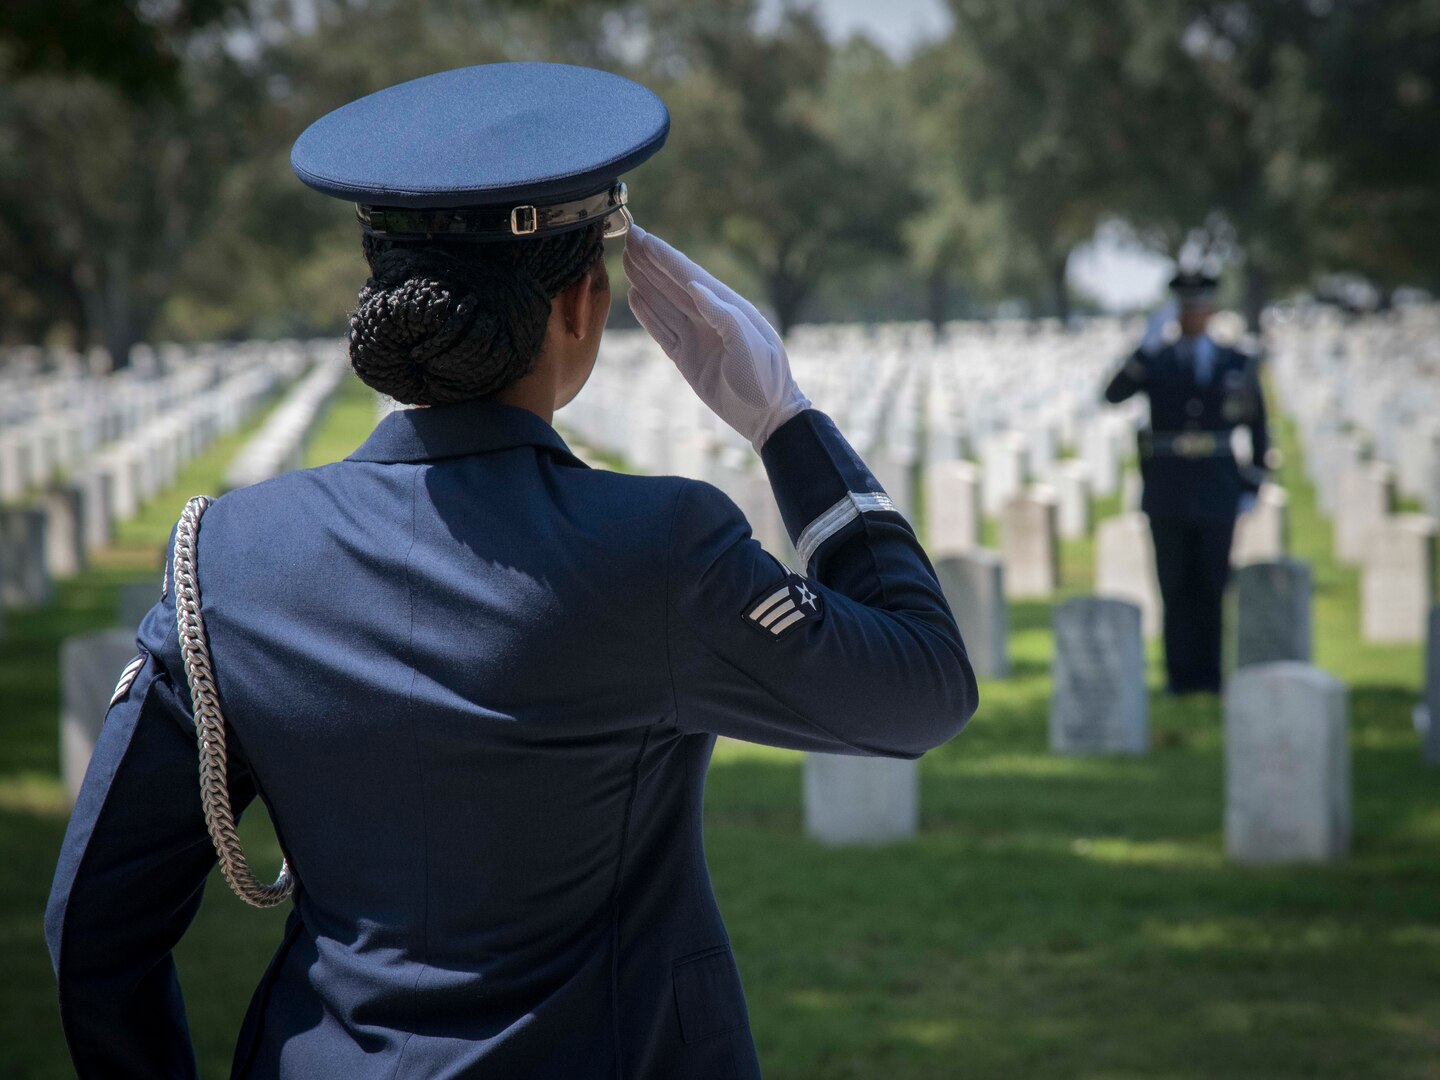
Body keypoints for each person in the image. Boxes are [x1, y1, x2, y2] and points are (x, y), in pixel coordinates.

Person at [45, 63, 977, 1079]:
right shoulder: (656, 546)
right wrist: (783, 420)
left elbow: (94, 927)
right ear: (582, 306)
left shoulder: (227, 561)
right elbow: (922, 688)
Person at [1102, 271, 1271, 695]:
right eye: (1185, 307)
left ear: (1211, 310)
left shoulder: (1236, 361)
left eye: (1200, 306)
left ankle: (1210, 677)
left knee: (1212, 584)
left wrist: (1252, 482)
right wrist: (1143, 347)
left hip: (1217, 487)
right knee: (1173, 585)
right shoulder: (1157, 359)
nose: (1193, 315)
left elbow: (1258, 424)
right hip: (1168, 489)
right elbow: (1113, 393)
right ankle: (1178, 677)